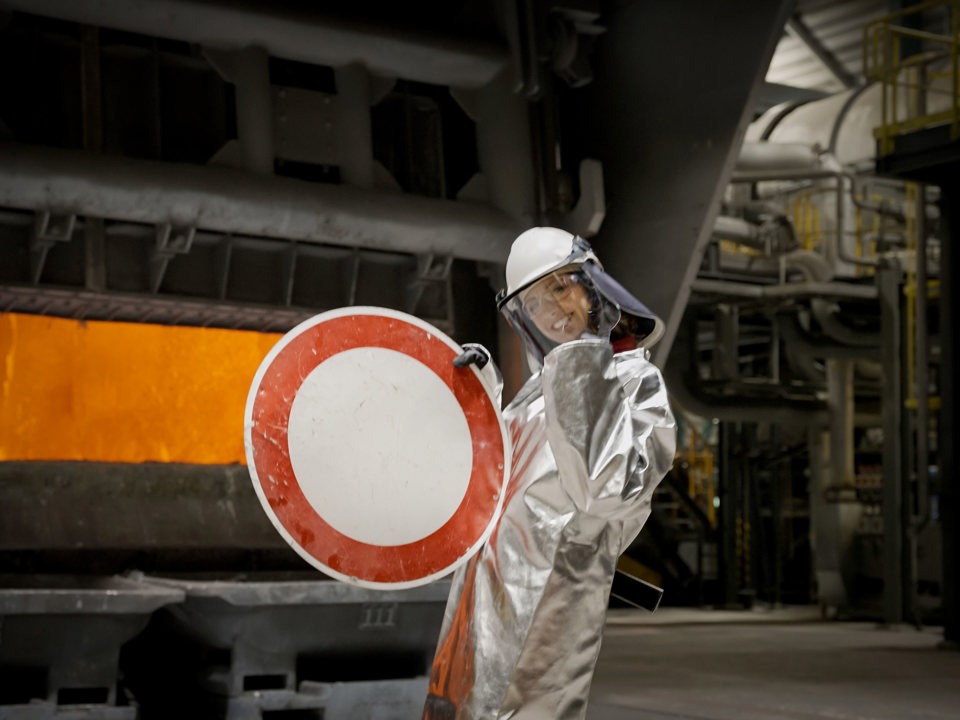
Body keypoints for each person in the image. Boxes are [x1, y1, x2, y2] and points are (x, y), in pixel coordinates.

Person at [423, 227, 677, 720]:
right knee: (459, 707)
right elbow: (496, 483)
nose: (553, 310)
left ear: (593, 287)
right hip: (485, 590)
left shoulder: (635, 382)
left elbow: (604, 489)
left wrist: (582, 354)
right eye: (535, 304)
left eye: (562, 288)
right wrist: (483, 395)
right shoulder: (540, 392)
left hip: (555, 593)